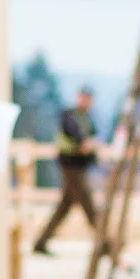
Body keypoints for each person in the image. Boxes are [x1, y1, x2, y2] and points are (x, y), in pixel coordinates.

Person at [32, 86, 99, 254]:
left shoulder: (86, 118)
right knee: (87, 203)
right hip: (71, 166)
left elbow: (91, 140)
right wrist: (84, 144)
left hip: (79, 166)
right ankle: (104, 241)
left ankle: (41, 241)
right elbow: (76, 135)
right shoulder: (70, 115)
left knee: (65, 206)